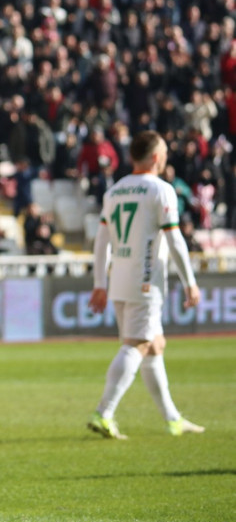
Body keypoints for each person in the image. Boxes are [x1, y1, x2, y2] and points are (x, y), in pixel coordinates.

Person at [88, 131, 204, 440]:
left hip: (120, 278)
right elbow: (174, 239)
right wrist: (190, 282)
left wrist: (100, 282)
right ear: (156, 157)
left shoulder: (115, 191)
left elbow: (101, 241)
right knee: (137, 344)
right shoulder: (161, 190)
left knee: (154, 344)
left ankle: (172, 419)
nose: (165, 156)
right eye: (164, 152)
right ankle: (104, 412)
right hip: (146, 280)